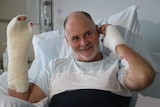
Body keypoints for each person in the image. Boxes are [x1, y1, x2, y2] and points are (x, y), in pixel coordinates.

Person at [7, 11, 155, 107]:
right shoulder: (54, 67)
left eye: (88, 34)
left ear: (98, 32)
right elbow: (22, 99)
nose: (84, 43)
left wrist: (116, 42)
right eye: (75, 38)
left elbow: (144, 76)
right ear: (67, 41)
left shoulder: (117, 65)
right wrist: (17, 55)